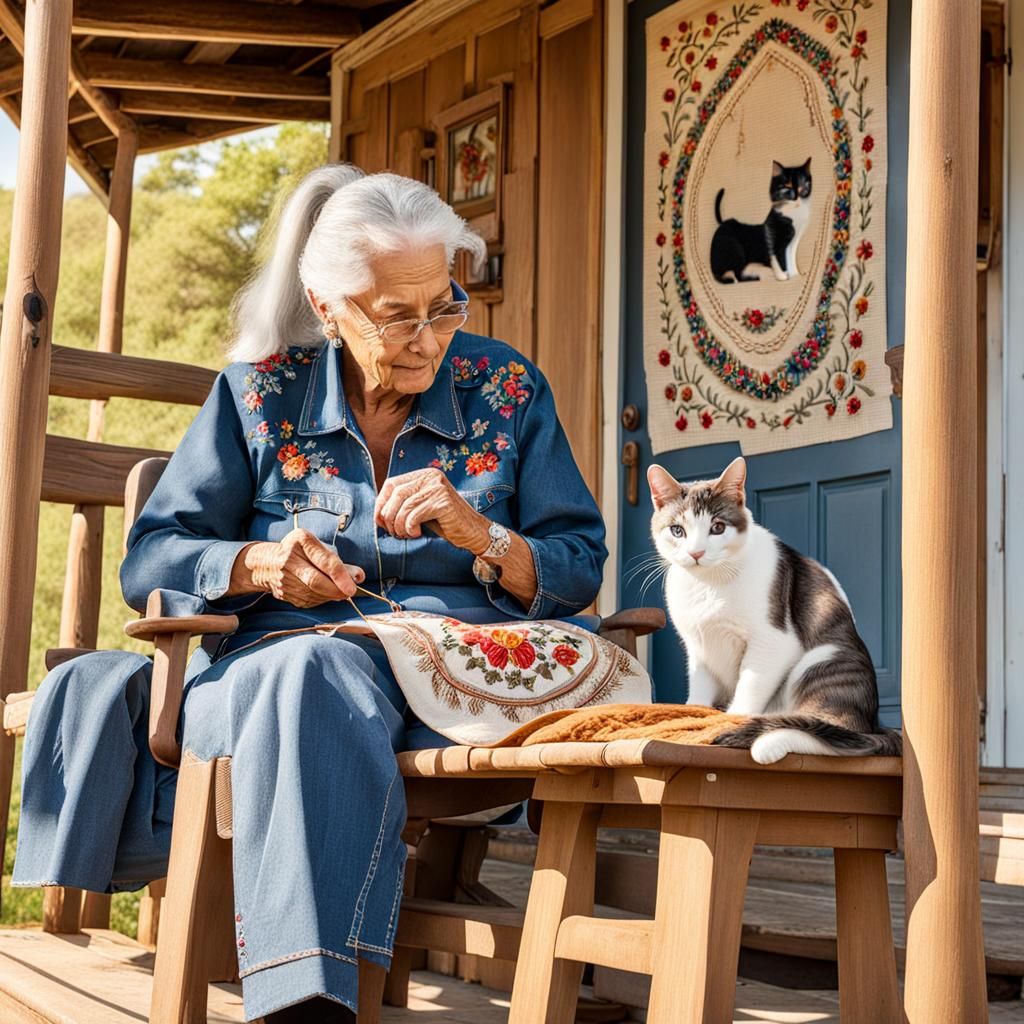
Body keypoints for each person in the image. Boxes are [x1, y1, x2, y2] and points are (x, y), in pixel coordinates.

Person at [12, 164, 607, 1022]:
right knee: (305, 680)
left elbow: (579, 565)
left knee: (313, 685)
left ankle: (301, 997)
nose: (427, 338)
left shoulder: (507, 390)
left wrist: (484, 537)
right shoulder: (260, 393)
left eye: (443, 305)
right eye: (395, 315)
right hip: (265, 678)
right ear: (327, 308)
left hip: (460, 683)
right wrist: (258, 565)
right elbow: (151, 559)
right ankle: (307, 997)